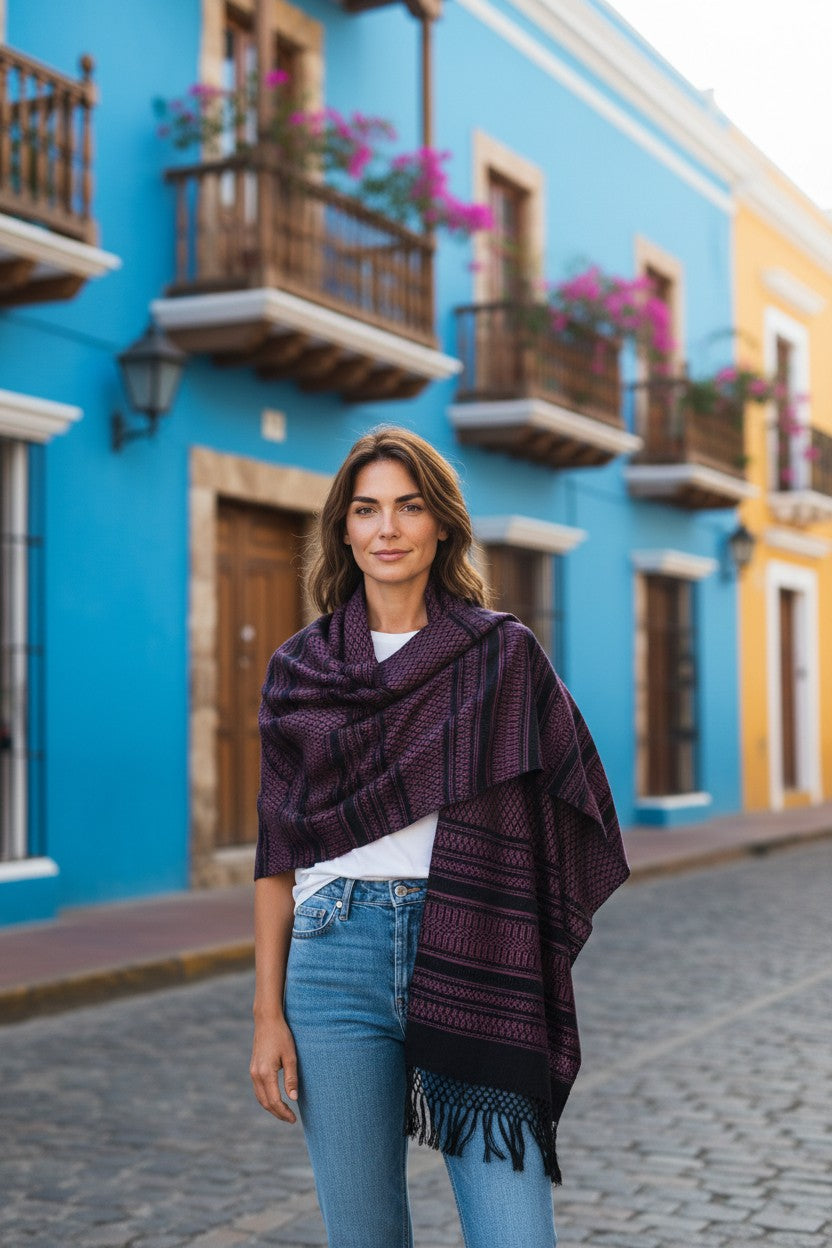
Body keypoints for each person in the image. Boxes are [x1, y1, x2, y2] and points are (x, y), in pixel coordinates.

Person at [250, 426, 629, 1248]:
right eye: (367, 509)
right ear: (343, 530)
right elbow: (276, 854)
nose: (387, 528)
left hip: (473, 946)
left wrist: (527, 921)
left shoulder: (500, 655)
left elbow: (572, 794)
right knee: (365, 1236)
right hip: (332, 957)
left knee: (516, 1234)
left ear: (441, 526)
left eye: (408, 507)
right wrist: (264, 1015)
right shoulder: (300, 670)